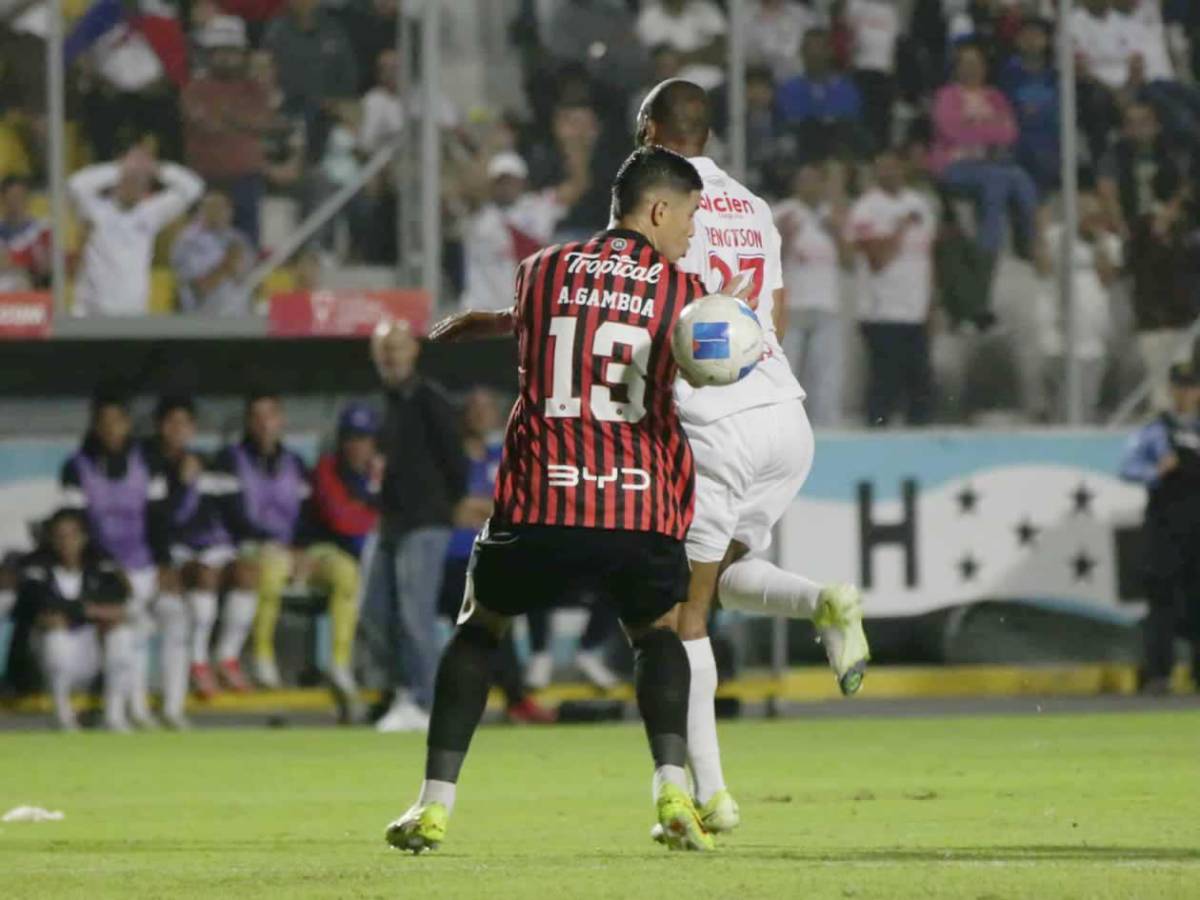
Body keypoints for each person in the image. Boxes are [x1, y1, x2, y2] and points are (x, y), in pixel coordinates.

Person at [384, 145, 715, 854]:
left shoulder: (541, 270)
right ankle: (671, 789)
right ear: (657, 210)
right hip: (638, 501)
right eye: (689, 215)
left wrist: (493, 319)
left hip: (541, 497)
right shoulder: (686, 294)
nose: (692, 231)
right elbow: (702, 350)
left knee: (478, 632)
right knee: (658, 634)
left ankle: (432, 806)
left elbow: (570, 316)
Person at [635, 80, 869, 841]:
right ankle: (824, 602)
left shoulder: (657, 204)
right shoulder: (754, 208)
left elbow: (639, 307)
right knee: (719, 578)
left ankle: (713, 794)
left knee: (680, 613)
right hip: (784, 414)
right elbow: (777, 313)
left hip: (715, 424)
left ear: (649, 129)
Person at [211, 392, 360, 691]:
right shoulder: (230, 459)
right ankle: (262, 657)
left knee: (346, 571)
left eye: (271, 416)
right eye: (257, 417)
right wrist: (273, 546)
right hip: (250, 547)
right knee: (273, 566)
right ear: (248, 422)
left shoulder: (295, 462)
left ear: (281, 420)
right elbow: (230, 515)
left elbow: (309, 516)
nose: (265, 424)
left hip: (295, 549)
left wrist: (303, 551)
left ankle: (340, 664)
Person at [59, 389, 190, 728]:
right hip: (104, 572)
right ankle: (129, 711)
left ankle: (173, 709)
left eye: (118, 421)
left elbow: (158, 517)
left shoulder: (147, 462)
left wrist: (165, 565)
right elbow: (75, 527)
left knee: (176, 617)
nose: (111, 428)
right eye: (104, 422)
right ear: (95, 426)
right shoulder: (77, 467)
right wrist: (107, 569)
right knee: (130, 627)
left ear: (128, 424)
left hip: (146, 565)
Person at [361, 321, 468, 734]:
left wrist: (441, 504)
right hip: (389, 521)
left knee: (414, 614)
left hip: (424, 520)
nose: (391, 356)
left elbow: (455, 461)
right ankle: (402, 692)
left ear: (414, 352)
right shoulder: (381, 402)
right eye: (384, 349)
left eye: (398, 348)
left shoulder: (429, 400)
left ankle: (424, 702)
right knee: (375, 612)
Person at [438, 388, 554, 724]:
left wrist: (482, 509)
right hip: (455, 560)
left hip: (494, 553)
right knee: (487, 620)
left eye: (486, 407)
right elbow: (453, 509)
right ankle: (514, 698)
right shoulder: (453, 459)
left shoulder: (501, 456)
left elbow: (516, 507)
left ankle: (535, 666)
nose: (480, 414)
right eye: (473, 407)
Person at [144, 395, 256, 698]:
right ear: (159, 427)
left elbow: (235, 513)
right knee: (205, 575)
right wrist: (183, 484)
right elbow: (159, 521)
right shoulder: (150, 464)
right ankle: (197, 661)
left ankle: (227, 656)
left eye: (185, 423)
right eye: (171, 423)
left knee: (247, 574)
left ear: (193, 428)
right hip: (177, 551)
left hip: (215, 548)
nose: (178, 429)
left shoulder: (209, 461)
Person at [1119, 361, 1200, 694]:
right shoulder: (1155, 430)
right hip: (1165, 527)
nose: (1184, 394)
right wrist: (1156, 471)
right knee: (1161, 602)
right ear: (1171, 390)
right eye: (1179, 387)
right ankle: (1159, 674)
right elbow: (1127, 467)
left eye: (1190, 387)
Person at [848, 146, 938, 427]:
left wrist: (933, 304)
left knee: (920, 386)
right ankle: (877, 444)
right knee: (884, 386)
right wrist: (899, 228)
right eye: (882, 168)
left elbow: (927, 258)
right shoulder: (866, 208)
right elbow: (877, 261)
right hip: (881, 311)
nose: (888, 173)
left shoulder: (919, 203)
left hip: (916, 310)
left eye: (893, 167)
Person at [306, 400, 383, 720]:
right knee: (349, 575)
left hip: (371, 560)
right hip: (320, 554)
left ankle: (386, 684)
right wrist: (377, 520)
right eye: (351, 437)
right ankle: (340, 665)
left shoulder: (381, 472)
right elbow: (342, 522)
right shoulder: (327, 469)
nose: (357, 445)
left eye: (363, 438)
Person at [25, 509, 136, 731]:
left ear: (83, 537)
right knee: (56, 639)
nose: (67, 542)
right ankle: (62, 715)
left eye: (72, 535)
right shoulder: (38, 566)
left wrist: (82, 611)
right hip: (55, 658)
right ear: (51, 539)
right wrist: (91, 611)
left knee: (122, 636)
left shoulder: (99, 565)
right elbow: (39, 610)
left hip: (90, 649)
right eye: (60, 536)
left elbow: (119, 607)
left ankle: (114, 714)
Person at [930, 43, 1038, 263]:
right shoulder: (947, 96)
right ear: (957, 68)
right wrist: (989, 129)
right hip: (955, 164)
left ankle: (1030, 244)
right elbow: (951, 131)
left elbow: (1009, 133)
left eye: (976, 63)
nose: (972, 69)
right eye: (966, 64)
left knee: (1021, 178)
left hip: (992, 163)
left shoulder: (995, 97)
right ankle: (987, 253)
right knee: (997, 179)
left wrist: (973, 125)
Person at [68, 146, 204, 316]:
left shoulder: (151, 213)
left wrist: (157, 169)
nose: (137, 185)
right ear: (118, 181)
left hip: (133, 312)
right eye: (131, 179)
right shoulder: (96, 209)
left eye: (143, 181)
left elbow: (193, 187)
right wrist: (120, 167)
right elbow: (74, 185)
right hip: (91, 311)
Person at [182, 14, 273, 243]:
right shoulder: (195, 89)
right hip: (206, 178)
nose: (227, 58)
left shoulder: (254, 89)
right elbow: (206, 125)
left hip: (245, 178)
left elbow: (261, 122)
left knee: (247, 242)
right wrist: (239, 122)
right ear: (209, 54)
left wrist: (227, 119)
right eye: (220, 51)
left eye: (232, 51)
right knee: (203, 244)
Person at [774, 162, 852, 427]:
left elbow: (850, 262)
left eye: (814, 181)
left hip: (826, 302)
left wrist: (837, 234)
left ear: (822, 185)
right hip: (791, 305)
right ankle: (785, 426)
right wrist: (784, 237)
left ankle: (827, 426)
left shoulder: (833, 216)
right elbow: (768, 261)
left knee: (827, 374)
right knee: (787, 371)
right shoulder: (782, 212)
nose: (809, 186)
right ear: (797, 184)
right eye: (804, 180)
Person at [459, 151, 587, 311]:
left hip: (521, 311)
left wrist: (575, 147)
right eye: (501, 181)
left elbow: (577, 186)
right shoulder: (479, 214)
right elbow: (466, 188)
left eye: (512, 181)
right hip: (480, 311)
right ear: (490, 185)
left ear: (523, 183)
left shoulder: (537, 207)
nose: (506, 187)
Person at [1034, 192, 1123, 422]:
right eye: (1083, 212)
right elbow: (1042, 269)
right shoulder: (1056, 237)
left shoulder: (1110, 243)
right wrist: (1042, 232)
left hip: (1092, 340)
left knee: (1086, 402)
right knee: (1060, 404)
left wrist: (1099, 242)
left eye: (1093, 214)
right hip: (1058, 339)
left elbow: (1108, 279)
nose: (1089, 218)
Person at [775, 28, 868, 163]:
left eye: (818, 48)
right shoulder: (788, 89)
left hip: (838, 155)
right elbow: (789, 123)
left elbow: (848, 124)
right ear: (801, 52)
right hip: (800, 154)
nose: (813, 54)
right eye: (809, 48)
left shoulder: (846, 90)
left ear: (829, 52)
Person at [997, 17, 1060, 195]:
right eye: (1026, 35)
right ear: (1018, 40)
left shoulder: (1055, 76)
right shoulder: (1007, 73)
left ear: (1046, 41)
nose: (1031, 41)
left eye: (1037, 36)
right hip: (1019, 140)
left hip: (1051, 140)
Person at [170, 189, 255, 315]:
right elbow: (200, 289)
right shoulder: (188, 241)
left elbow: (250, 282)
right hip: (202, 321)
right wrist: (226, 264)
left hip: (238, 319)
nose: (221, 212)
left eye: (226, 207)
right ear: (202, 210)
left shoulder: (238, 239)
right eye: (215, 207)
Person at [634, 0, 727, 91]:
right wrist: (703, 54)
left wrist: (683, 58)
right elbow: (664, 62)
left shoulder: (705, 8)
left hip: (715, 86)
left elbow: (721, 52)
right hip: (673, 91)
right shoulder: (649, 17)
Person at [0, 174, 50, 292]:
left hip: (28, 291)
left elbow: (45, 267)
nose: (16, 201)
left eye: (19, 196)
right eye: (11, 197)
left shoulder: (40, 228)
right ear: (3, 198)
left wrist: (14, 263)